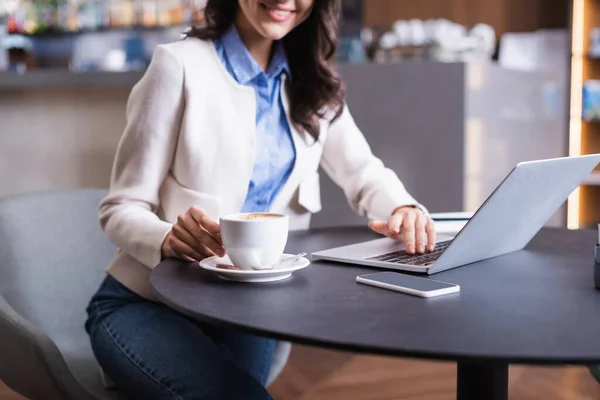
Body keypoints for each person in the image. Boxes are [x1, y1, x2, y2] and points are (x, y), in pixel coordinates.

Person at [84, 0, 437, 399]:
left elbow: (365, 173)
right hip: (144, 303)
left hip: (244, 307)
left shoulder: (312, 82)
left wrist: (403, 209)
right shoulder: (178, 65)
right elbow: (120, 208)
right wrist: (165, 239)